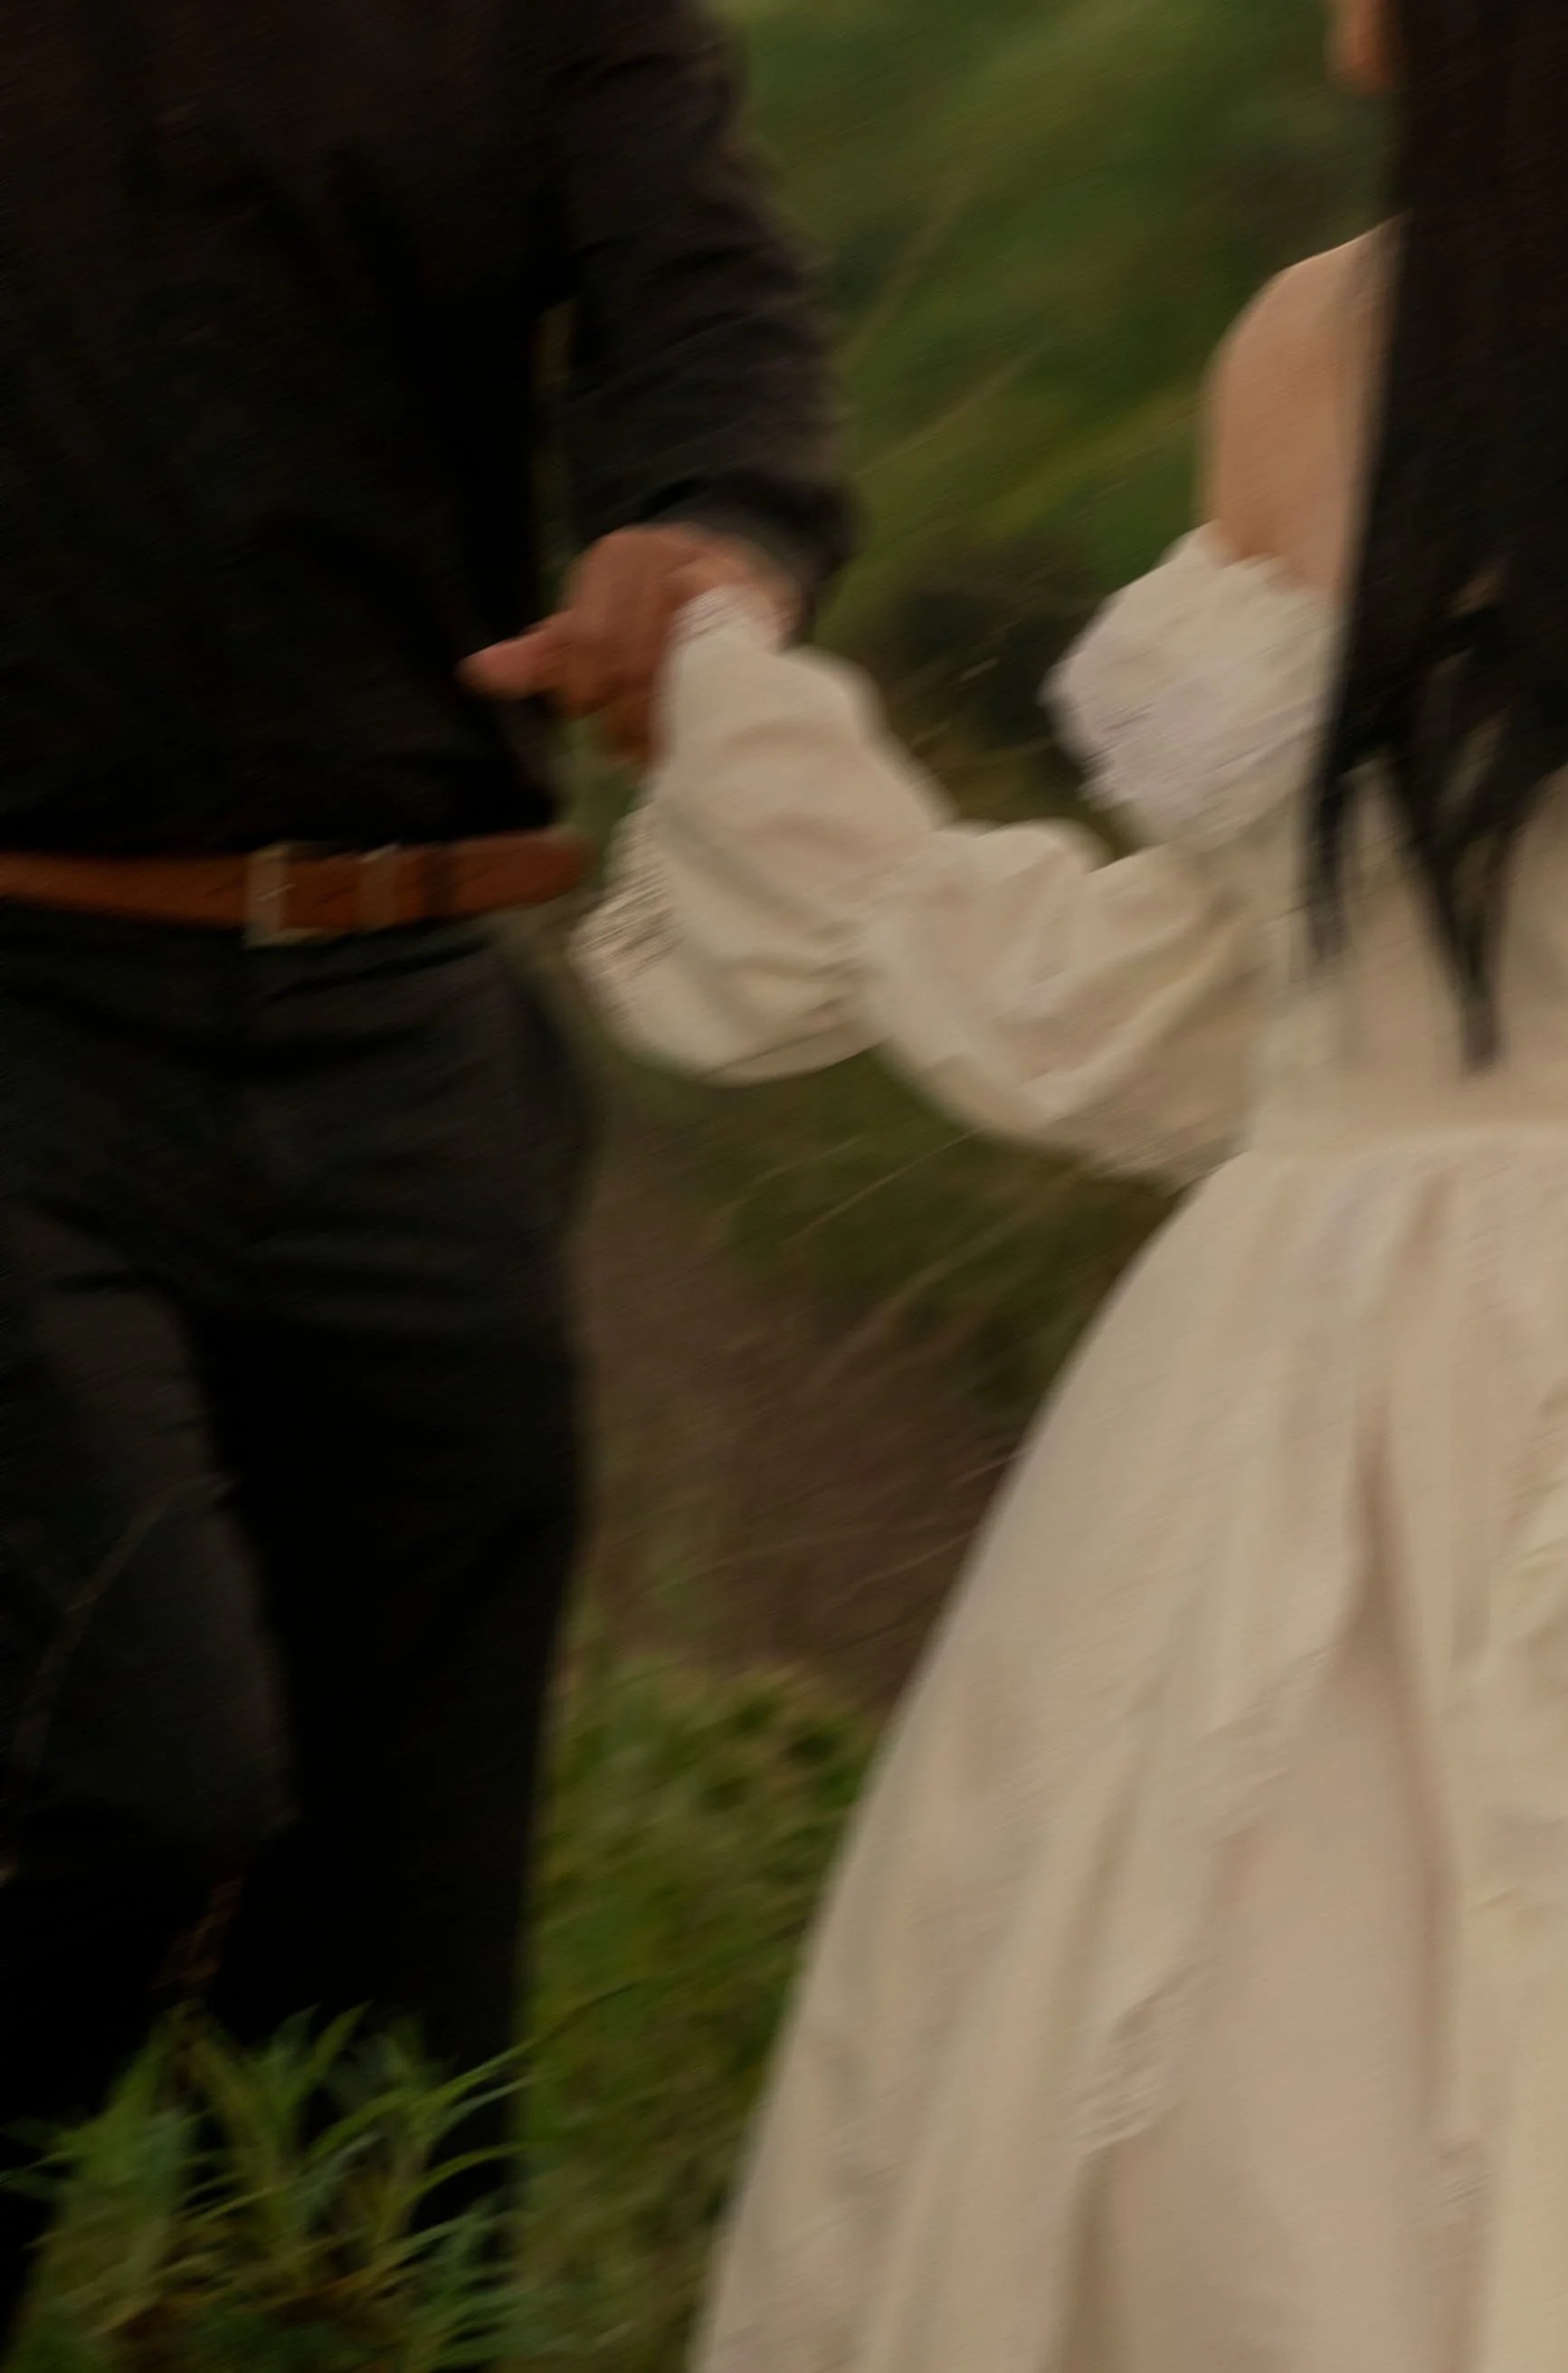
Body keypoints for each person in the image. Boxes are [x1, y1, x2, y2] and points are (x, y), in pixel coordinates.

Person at [497, 0, 1568, 2360]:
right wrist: (774, 770)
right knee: (1234, 2162)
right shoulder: (1313, 344)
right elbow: (1247, 994)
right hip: (1268, 1411)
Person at [0, 0, 847, 2333]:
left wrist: (711, 534)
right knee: (130, 1774)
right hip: (17, 1018)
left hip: (413, 1037)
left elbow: (709, 314)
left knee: (397, 1959)